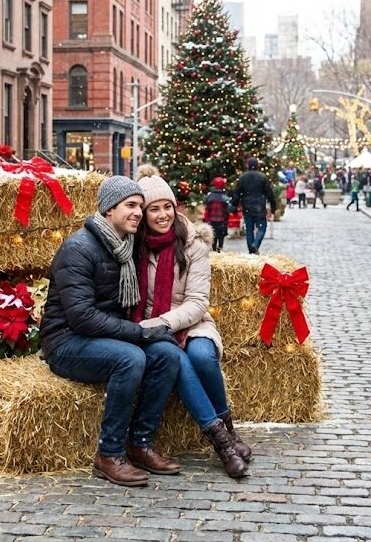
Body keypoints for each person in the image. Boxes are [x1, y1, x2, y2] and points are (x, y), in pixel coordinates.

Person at [39, 175, 182, 487]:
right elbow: (82, 318)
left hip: (104, 336)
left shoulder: (125, 247)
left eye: (140, 207)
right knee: (130, 358)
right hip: (66, 340)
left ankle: (140, 443)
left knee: (168, 354)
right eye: (130, 205)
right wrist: (141, 333)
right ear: (108, 210)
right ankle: (109, 454)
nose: (138, 213)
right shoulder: (79, 248)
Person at [134, 167, 250, 478]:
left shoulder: (194, 244)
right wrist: (149, 327)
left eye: (167, 207)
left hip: (190, 320)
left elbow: (197, 303)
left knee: (199, 354)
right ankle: (225, 445)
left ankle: (229, 429)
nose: (162, 216)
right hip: (149, 327)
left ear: (175, 206)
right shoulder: (133, 247)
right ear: (143, 213)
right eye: (153, 209)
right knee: (178, 360)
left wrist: (160, 322)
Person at [230, 157, 276, 255]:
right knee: (262, 227)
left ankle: (251, 249)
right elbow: (269, 193)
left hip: (246, 205)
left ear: (248, 165)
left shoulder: (243, 177)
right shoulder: (262, 177)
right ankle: (256, 244)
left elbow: (237, 193)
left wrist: (234, 204)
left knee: (249, 229)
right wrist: (273, 207)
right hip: (259, 205)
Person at [202, 176, 232, 252]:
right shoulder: (225, 197)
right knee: (221, 236)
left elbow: (207, 209)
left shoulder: (209, 197)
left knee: (213, 235)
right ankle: (220, 248)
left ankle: (214, 249)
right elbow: (228, 209)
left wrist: (206, 219)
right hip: (222, 220)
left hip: (212, 220)